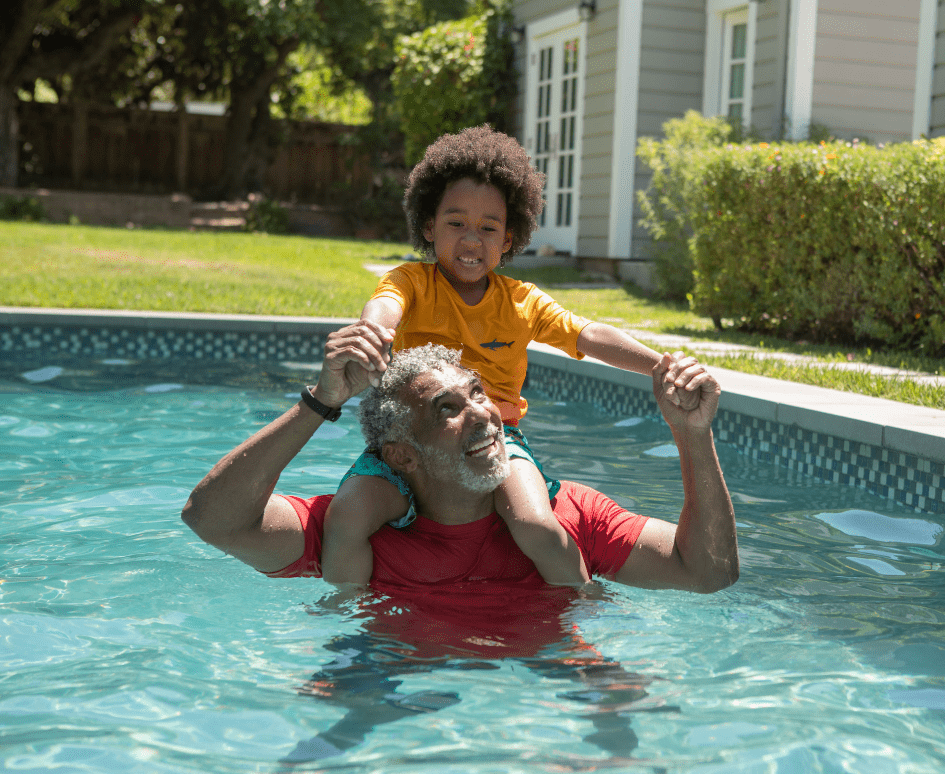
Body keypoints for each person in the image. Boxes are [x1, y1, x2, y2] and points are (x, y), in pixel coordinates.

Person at [324, 124, 668, 589]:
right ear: (429, 226)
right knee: (345, 516)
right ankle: (353, 615)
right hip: (417, 441)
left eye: (489, 228)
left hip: (495, 440)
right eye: (456, 222)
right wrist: (373, 330)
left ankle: (584, 617)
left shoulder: (522, 301)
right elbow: (386, 306)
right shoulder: (413, 282)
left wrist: (661, 365)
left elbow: (587, 334)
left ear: (508, 239)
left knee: (536, 526)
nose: (472, 239)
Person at [180, 320, 739, 597]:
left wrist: (692, 435)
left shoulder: (571, 517)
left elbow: (709, 572)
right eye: (448, 408)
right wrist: (321, 401)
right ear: (401, 455)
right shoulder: (354, 532)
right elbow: (211, 518)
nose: (483, 414)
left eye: (478, 392)